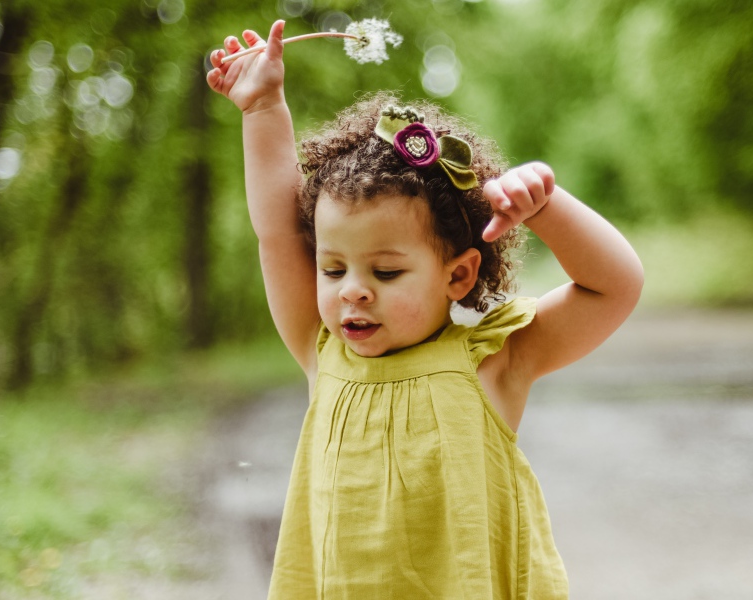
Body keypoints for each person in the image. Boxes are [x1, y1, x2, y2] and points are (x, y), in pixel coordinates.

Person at [206, 19, 644, 599]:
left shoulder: (495, 362)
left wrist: (546, 207)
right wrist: (263, 108)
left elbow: (614, 286)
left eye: (386, 272)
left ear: (458, 274)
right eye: (333, 269)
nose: (352, 291)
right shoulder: (322, 350)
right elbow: (279, 235)